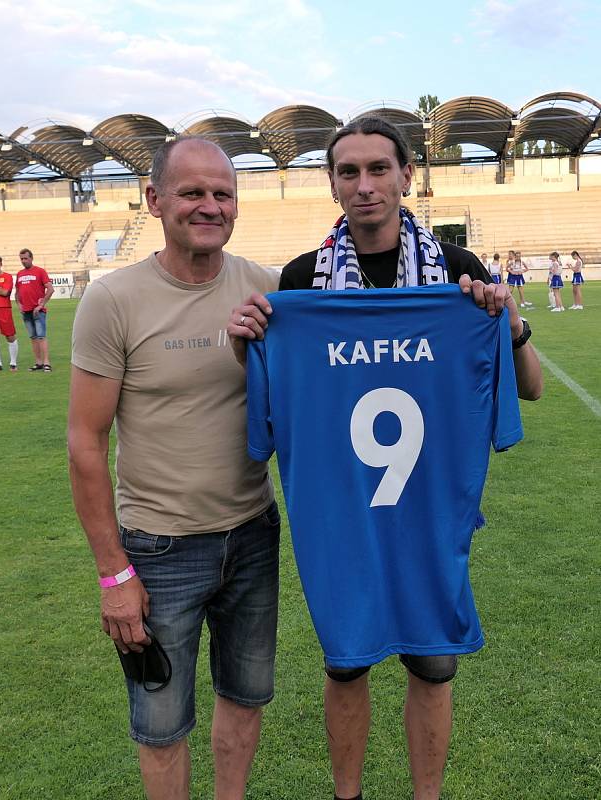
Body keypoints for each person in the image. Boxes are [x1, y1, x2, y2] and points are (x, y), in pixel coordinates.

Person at [228, 116, 542, 800]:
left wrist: (505, 320)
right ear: (332, 183)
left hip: (427, 513)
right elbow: (270, 403)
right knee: (347, 664)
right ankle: (349, 796)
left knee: (431, 665)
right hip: (340, 515)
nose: (364, 185)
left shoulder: (456, 274)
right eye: (348, 171)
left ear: (406, 176)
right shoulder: (301, 283)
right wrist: (246, 342)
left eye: (378, 169)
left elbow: (531, 387)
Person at [67, 137, 281, 800]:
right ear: (155, 200)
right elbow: (84, 441)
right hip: (158, 549)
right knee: (160, 726)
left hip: (252, 532)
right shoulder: (114, 300)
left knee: (245, 698)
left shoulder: (268, 289)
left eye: (222, 193)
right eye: (192, 192)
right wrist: (114, 574)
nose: (209, 206)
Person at [15, 248, 54, 371]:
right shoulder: (19, 274)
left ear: (31, 258)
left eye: (26, 258)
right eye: (21, 259)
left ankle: (47, 362)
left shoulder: (40, 271)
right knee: (33, 337)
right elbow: (17, 292)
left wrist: (41, 304)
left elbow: (50, 289)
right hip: (25, 311)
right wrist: (18, 304)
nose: (23, 261)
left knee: (41, 336)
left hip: (37, 311)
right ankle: (38, 363)